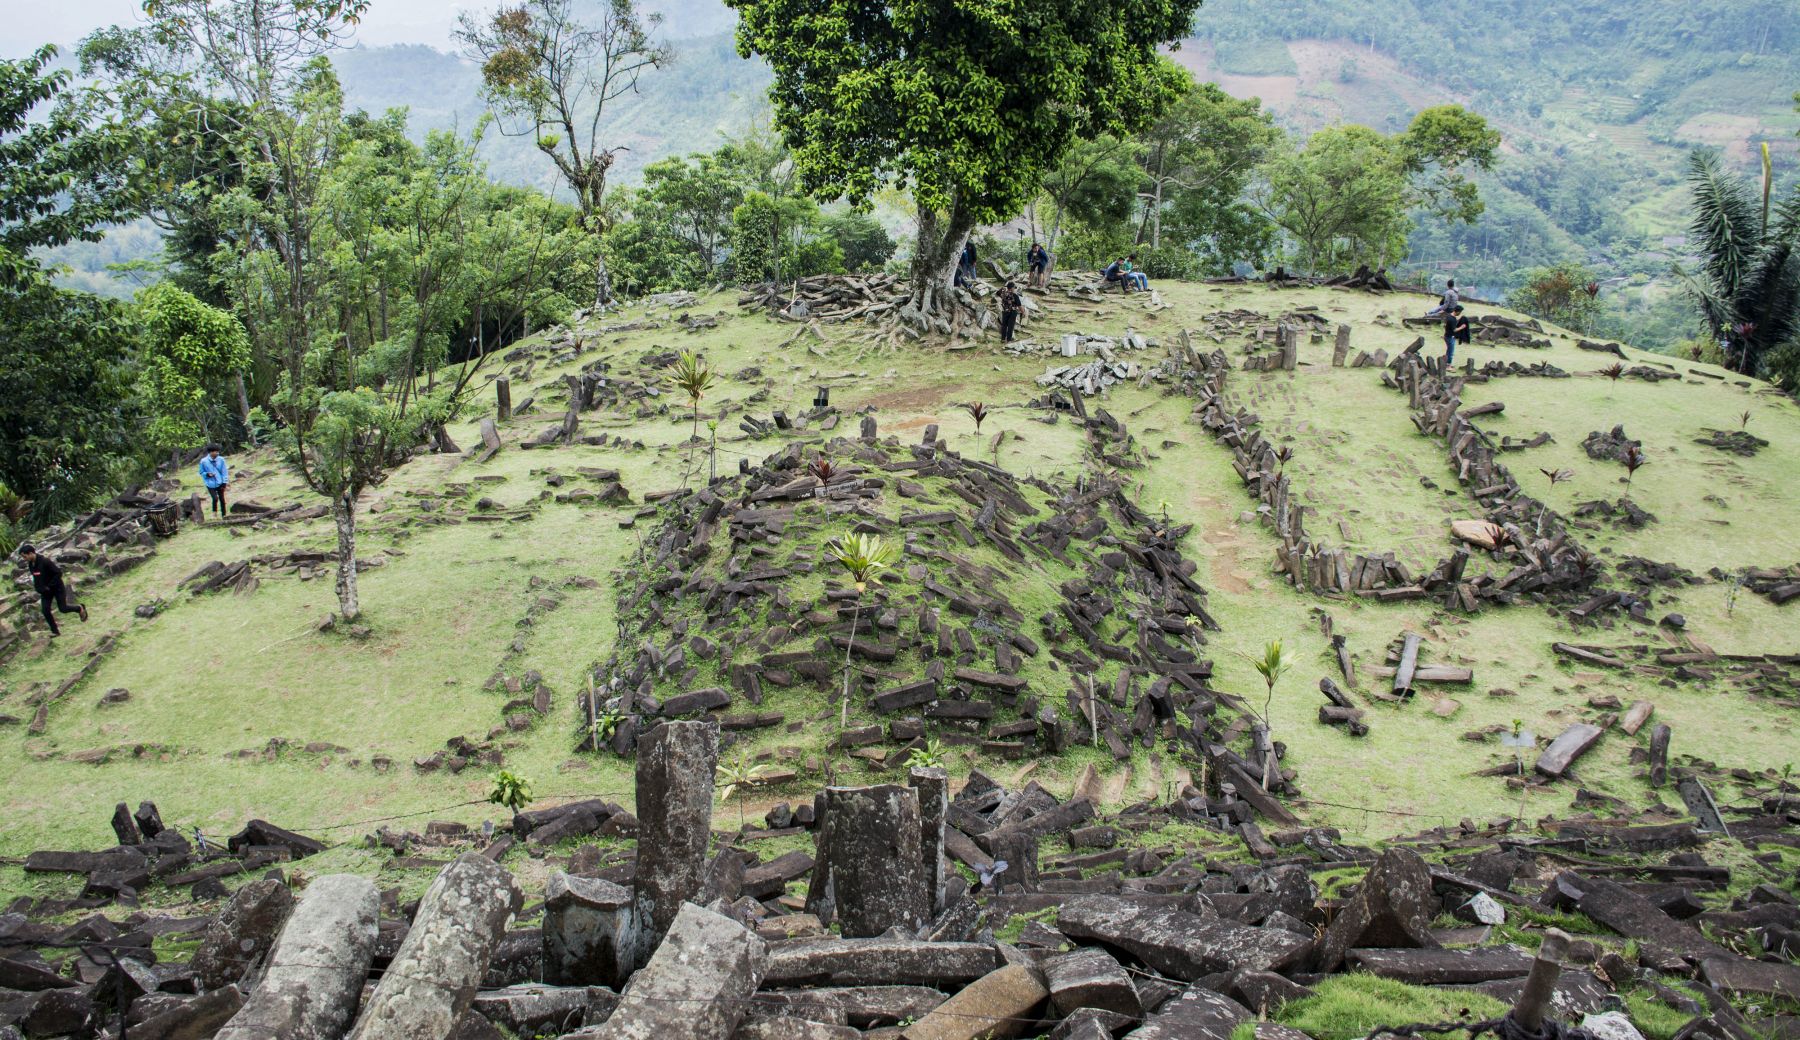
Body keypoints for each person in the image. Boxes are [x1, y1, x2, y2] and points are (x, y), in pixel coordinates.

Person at [19, 544, 87, 637]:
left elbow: (58, 573)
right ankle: (55, 631)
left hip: (57, 588)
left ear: (30, 553)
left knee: (63, 609)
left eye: (24, 556)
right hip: (45, 592)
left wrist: (49, 586)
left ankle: (79, 608)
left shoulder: (45, 561)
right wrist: (39, 588)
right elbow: (36, 577)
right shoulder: (31, 564)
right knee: (45, 610)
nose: (24, 558)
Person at [199, 445, 229, 518]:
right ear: (210, 452)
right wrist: (207, 474)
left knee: (222, 499)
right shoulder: (203, 461)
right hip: (210, 483)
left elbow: (224, 471)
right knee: (215, 498)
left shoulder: (221, 459)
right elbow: (201, 472)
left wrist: (224, 482)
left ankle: (224, 514)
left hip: (220, 482)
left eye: (217, 451)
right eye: (215, 451)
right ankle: (214, 514)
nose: (217, 453)